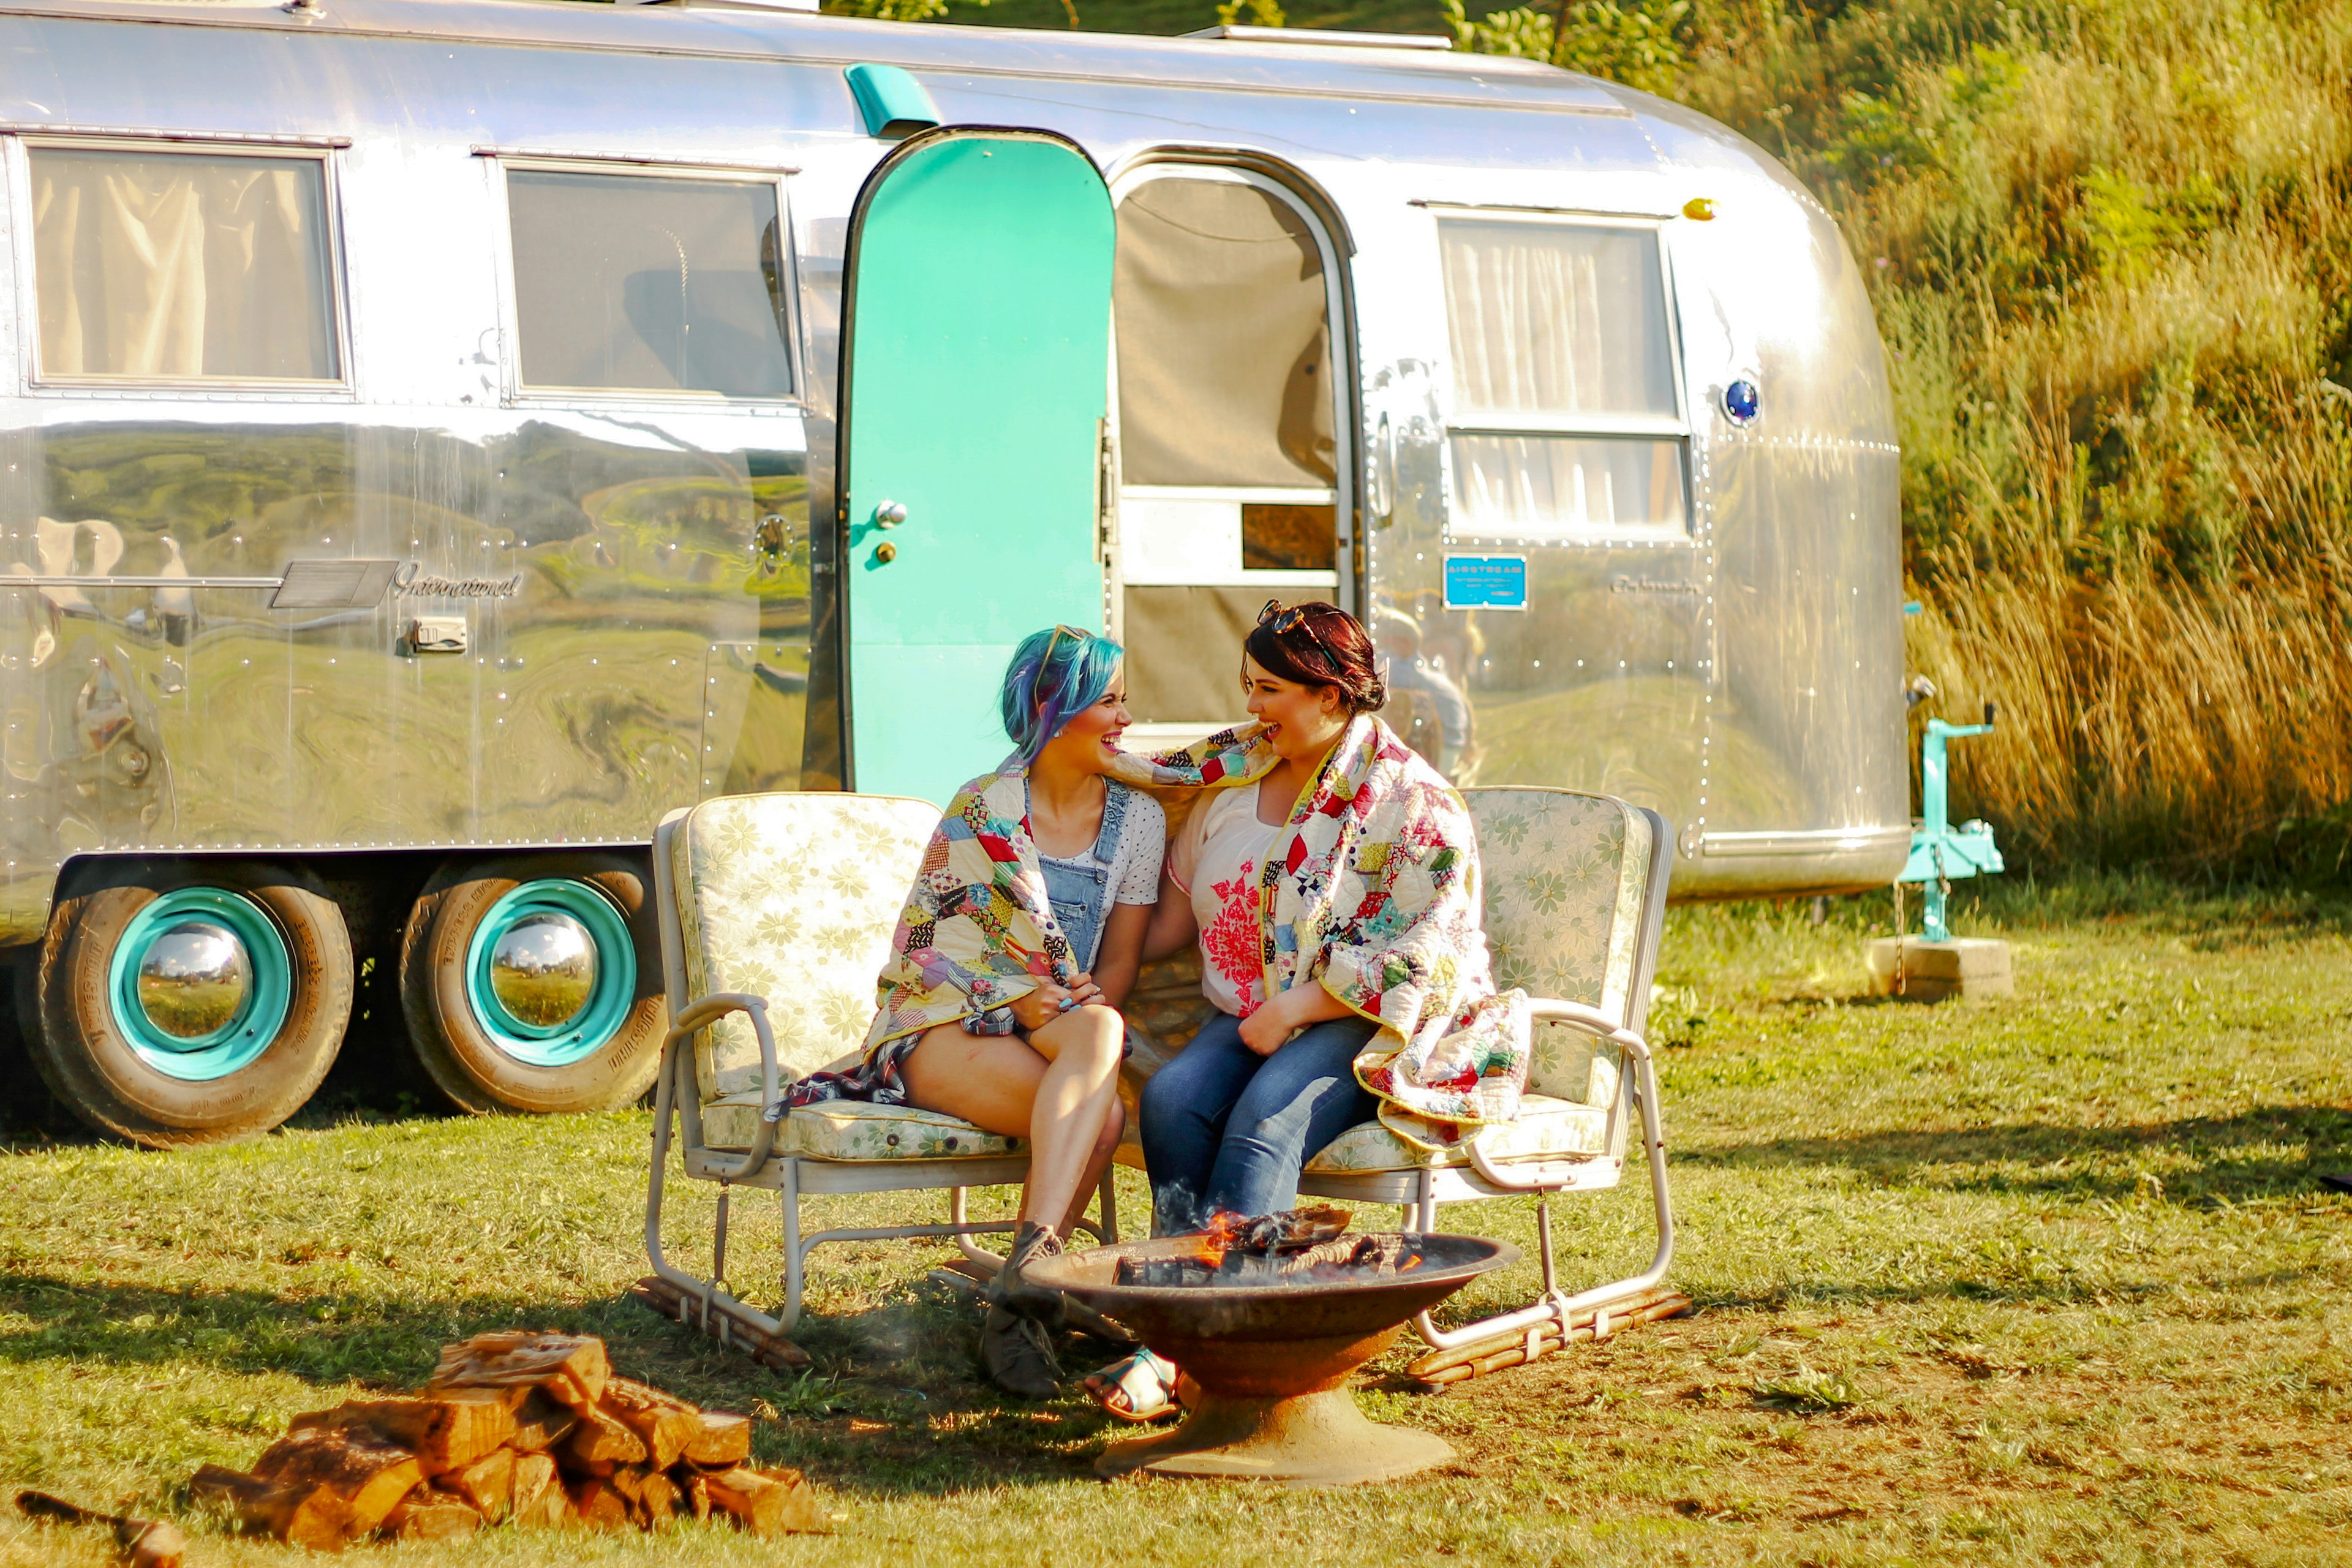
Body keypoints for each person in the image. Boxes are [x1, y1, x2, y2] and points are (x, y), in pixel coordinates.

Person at [1085, 600, 1530, 1420]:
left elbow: (1428, 955)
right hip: (1259, 1014)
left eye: (1269, 691)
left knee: (1265, 1117)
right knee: (1176, 1100)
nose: (1251, 708)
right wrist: (1071, 952)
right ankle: (1180, 1305)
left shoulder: (1412, 804)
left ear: (1329, 696)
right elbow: (1180, 896)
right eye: (1248, 687)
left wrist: (1294, 1008)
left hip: (1367, 1023)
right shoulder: (1240, 769)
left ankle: (1223, 1339)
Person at [774, 625, 1164, 1400]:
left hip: (1061, 1017)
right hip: (944, 1024)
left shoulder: (1140, 820)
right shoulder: (984, 807)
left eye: (1126, 701)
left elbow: (1117, 963)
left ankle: (1020, 1291)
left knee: (1102, 1026)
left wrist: (1064, 997)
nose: (1126, 720)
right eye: (1110, 702)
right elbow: (927, 949)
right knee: (1105, 1121)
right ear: (1055, 708)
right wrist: (1014, 996)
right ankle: (1031, 1301)